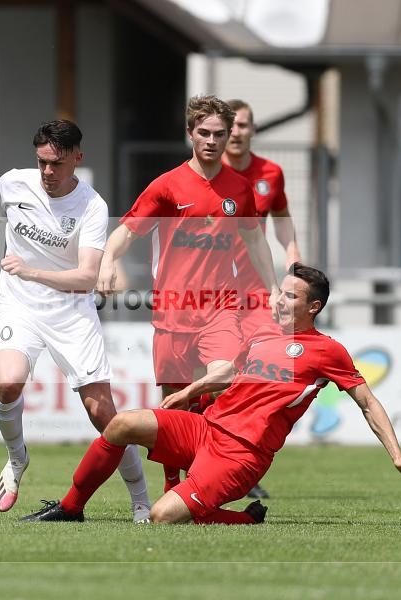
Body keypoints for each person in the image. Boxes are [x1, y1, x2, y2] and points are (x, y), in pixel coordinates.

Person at [21, 263, 401, 524]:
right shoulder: (264, 334)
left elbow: (367, 400)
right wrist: (192, 392)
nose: (279, 301)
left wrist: (396, 455)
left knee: (164, 518)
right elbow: (232, 371)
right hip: (206, 429)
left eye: (291, 296)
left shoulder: (327, 351)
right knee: (122, 423)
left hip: (242, 455)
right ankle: (70, 508)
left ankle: (244, 520)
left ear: (315, 307)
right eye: (280, 292)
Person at [0, 120, 152, 523]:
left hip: (71, 313)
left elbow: (87, 277)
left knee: (104, 415)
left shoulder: (92, 206)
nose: (48, 172)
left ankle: (141, 500)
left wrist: (31, 272)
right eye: (42, 163)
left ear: (77, 159)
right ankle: (17, 460)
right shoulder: (14, 184)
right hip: (20, 307)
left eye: (58, 164)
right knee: (8, 382)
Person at [95, 95, 281, 494]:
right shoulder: (167, 186)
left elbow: (255, 242)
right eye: (204, 133)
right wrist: (108, 261)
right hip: (174, 310)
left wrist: (275, 289)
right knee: (174, 403)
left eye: (220, 133)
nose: (212, 140)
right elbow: (127, 230)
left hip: (221, 308)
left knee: (225, 380)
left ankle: (220, 470)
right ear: (190, 133)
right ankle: (173, 486)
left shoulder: (240, 189)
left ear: (229, 135)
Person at [223, 98, 302, 499]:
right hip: (213, 290)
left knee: (262, 372)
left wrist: (293, 260)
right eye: (231, 125)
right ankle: (206, 457)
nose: (237, 132)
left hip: (258, 290)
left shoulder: (271, 173)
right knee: (213, 376)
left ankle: (242, 463)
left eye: (244, 125)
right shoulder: (206, 175)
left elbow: (284, 223)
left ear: (254, 130)